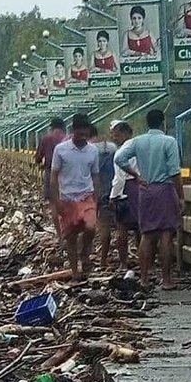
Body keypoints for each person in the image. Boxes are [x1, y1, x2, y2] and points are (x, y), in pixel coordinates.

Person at [114, 109, 182, 291]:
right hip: (164, 189)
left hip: (145, 190)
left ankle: (144, 278)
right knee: (166, 235)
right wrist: (181, 196)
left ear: (147, 123)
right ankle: (166, 280)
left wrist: (135, 175)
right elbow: (175, 171)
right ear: (163, 123)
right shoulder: (169, 141)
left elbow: (119, 158)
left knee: (146, 235)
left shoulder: (137, 141)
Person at [50, 114, 100, 280]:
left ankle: (85, 253)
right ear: (74, 131)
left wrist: (97, 199)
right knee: (70, 237)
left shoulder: (93, 151)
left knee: (90, 227)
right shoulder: (61, 150)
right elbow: (54, 176)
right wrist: (56, 201)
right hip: (67, 198)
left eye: (86, 131)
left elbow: (96, 176)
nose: (83, 135)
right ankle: (75, 272)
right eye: (80, 131)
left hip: (86, 196)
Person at [109, 120, 140, 270]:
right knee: (140, 228)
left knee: (121, 228)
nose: (115, 138)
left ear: (127, 133)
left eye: (117, 135)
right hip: (140, 188)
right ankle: (144, 261)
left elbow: (119, 177)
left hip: (125, 189)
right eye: (113, 136)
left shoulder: (121, 152)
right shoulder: (140, 148)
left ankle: (123, 263)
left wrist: (113, 196)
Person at [89, 124, 117, 271]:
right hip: (114, 190)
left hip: (96, 192)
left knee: (97, 226)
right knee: (118, 227)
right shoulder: (112, 147)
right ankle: (108, 260)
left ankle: (96, 259)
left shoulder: (89, 149)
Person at [35, 117, 67, 240]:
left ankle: (60, 235)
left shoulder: (46, 138)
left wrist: (40, 163)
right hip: (67, 173)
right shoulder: (67, 138)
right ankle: (69, 231)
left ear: (51, 127)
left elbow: (38, 158)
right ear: (63, 127)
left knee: (54, 204)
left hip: (50, 173)